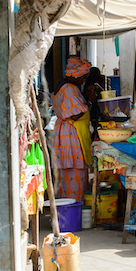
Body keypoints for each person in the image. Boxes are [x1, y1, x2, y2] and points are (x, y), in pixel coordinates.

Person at [52, 58, 94, 202]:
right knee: (75, 171)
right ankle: (75, 203)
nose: (84, 80)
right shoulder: (70, 88)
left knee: (65, 173)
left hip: (62, 132)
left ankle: (64, 205)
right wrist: (90, 102)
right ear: (75, 75)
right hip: (71, 133)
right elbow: (75, 114)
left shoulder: (61, 85)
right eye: (83, 77)